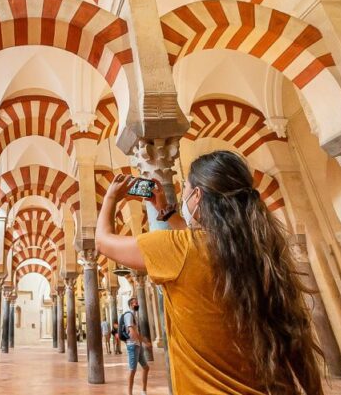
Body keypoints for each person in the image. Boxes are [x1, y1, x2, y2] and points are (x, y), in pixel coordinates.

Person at [96, 151, 324, 395]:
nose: (182, 193)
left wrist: (111, 197)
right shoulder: (262, 253)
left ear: (197, 196)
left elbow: (103, 241)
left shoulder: (178, 249)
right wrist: (167, 213)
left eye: (185, 187)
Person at [121, 298, 149, 395]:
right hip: (133, 345)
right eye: (135, 303)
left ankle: (144, 391)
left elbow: (135, 331)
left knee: (146, 367)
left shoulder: (134, 315)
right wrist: (144, 341)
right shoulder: (129, 315)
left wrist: (141, 342)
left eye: (137, 302)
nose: (137, 304)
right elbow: (132, 332)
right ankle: (130, 393)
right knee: (132, 370)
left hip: (138, 345)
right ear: (131, 305)